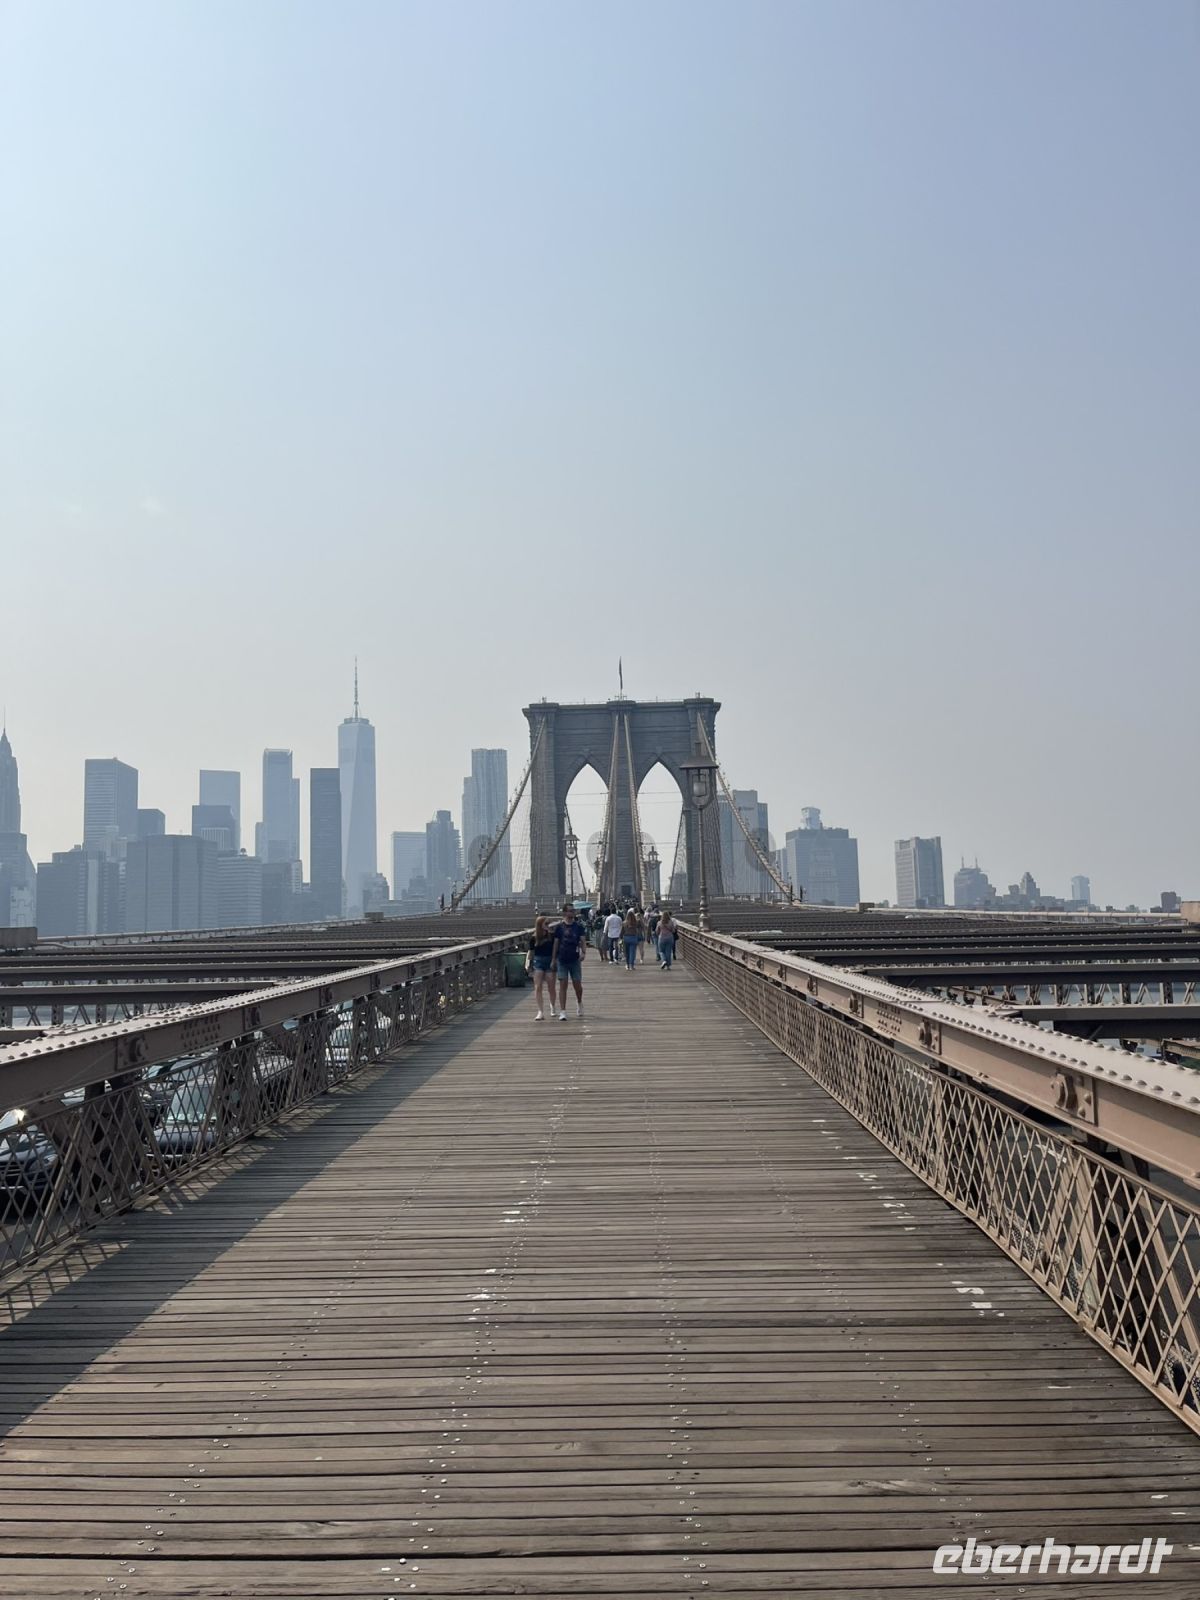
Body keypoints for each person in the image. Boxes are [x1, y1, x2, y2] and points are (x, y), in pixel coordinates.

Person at [550, 901, 588, 1019]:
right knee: (563, 985)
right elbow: (556, 944)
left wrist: (583, 952)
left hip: (575, 959)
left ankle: (579, 1002)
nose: (573, 912)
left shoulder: (578, 927)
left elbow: (582, 941)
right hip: (562, 959)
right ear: (565, 912)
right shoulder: (559, 928)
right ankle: (563, 1011)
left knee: (577, 985)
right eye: (570, 910)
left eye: (573, 910)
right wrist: (553, 959)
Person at [527, 915, 556, 1020]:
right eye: (546, 924)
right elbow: (531, 952)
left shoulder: (551, 936)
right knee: (538, 986)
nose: (548, 926)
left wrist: (554, 960)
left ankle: (552, 1006)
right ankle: (540, 1011)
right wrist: (528, 965)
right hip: (538, 961)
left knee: (551, 986)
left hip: (549, 960)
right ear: (540, 925)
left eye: (549, 923)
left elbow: (555, 949)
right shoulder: (533, 937)